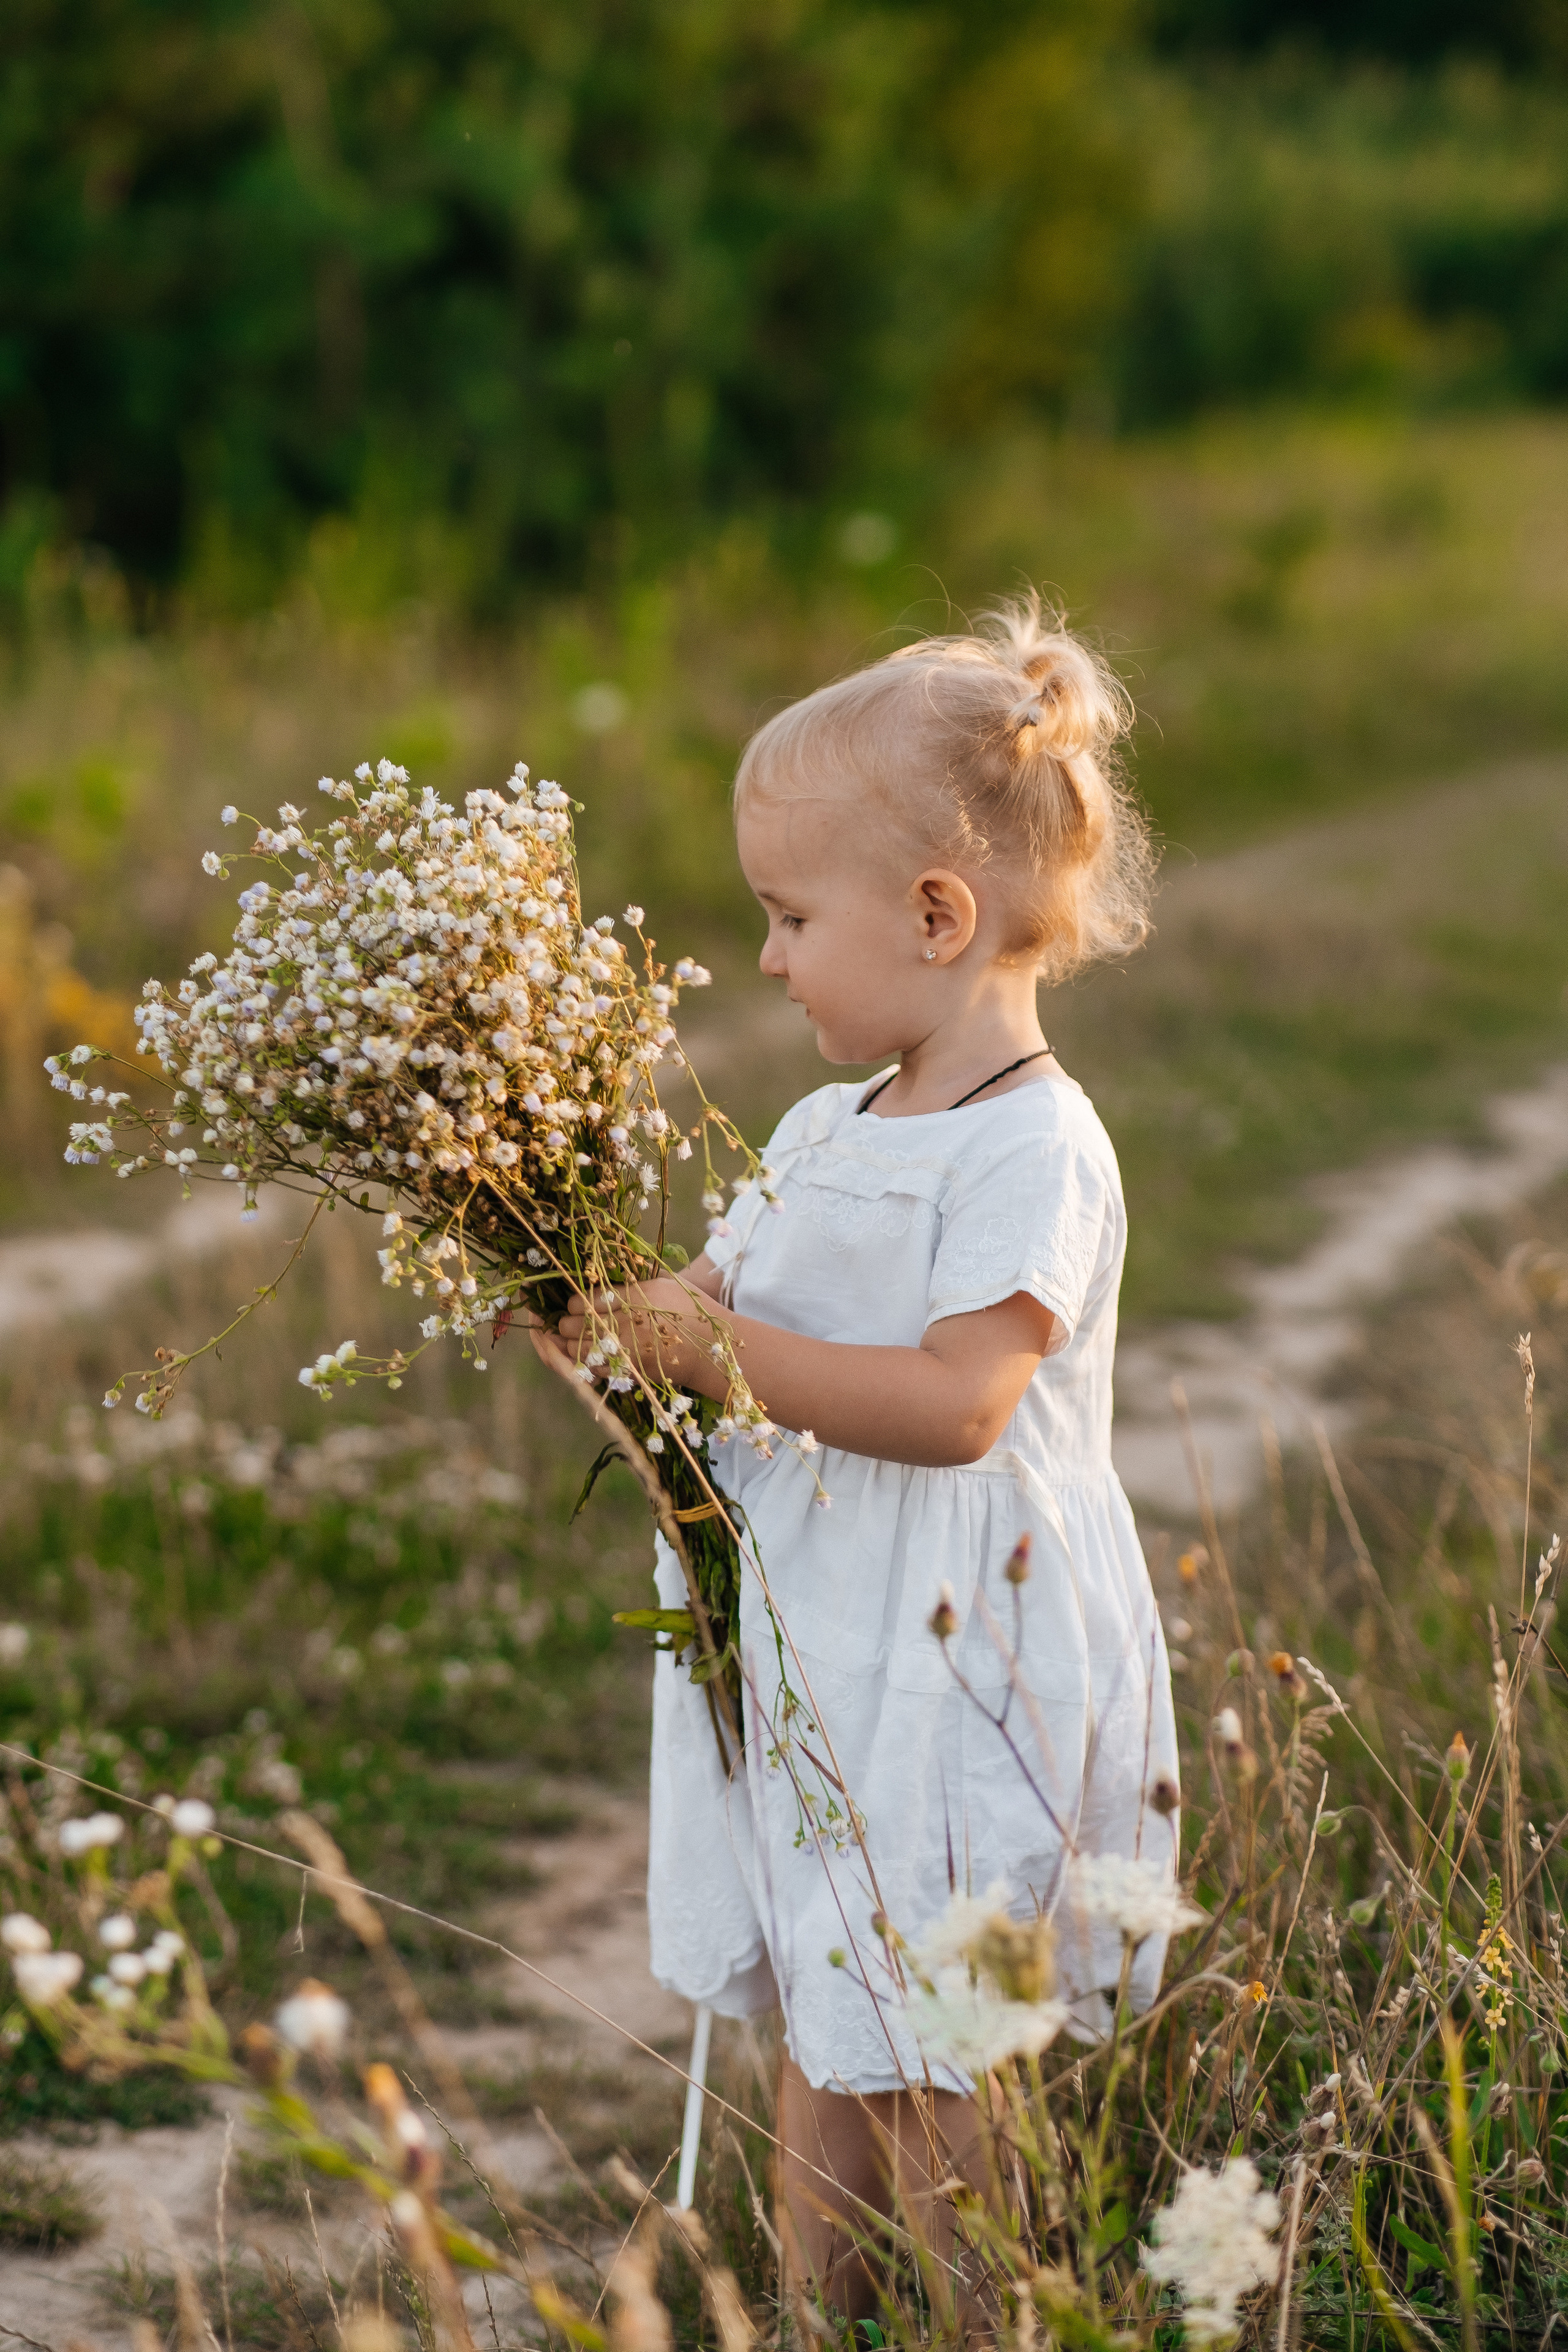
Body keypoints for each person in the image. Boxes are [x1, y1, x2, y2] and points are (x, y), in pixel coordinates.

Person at [555, 595, 1178, 2327]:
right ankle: (818, 2314)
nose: (766, 958)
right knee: (829, 2014)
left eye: (788, 917)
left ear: (934, 914)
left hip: (954, 1646)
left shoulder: (1036, 1148)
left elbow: (963, 1402)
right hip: (822, 1625)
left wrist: (715, 1351)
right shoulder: (823, 1131)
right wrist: (608, 1323)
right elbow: (714, 1317)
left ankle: (975, 2316)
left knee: (935, 2046)